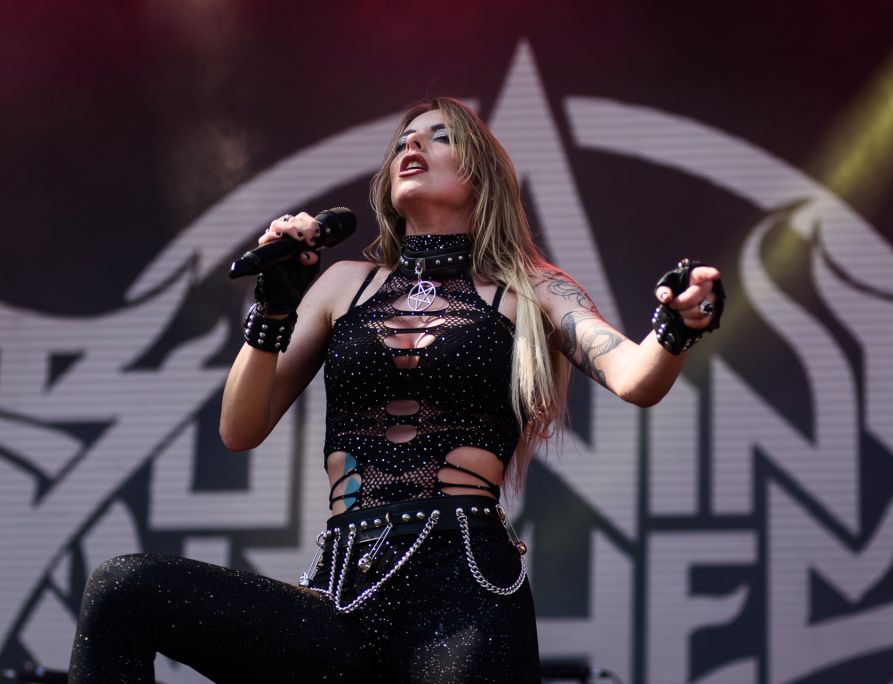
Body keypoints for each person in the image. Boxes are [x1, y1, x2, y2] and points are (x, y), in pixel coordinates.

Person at [68, 97, 723, 683]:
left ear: (482, 174)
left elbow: (635, 377)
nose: (413, 145)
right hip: (344, 595)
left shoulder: (531, 290)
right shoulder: (343, 284)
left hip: (462, 595)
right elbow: (239, 428)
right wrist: (271, 311)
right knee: (125, 589)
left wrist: (678, 325)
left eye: (440, 136)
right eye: (404, 140)